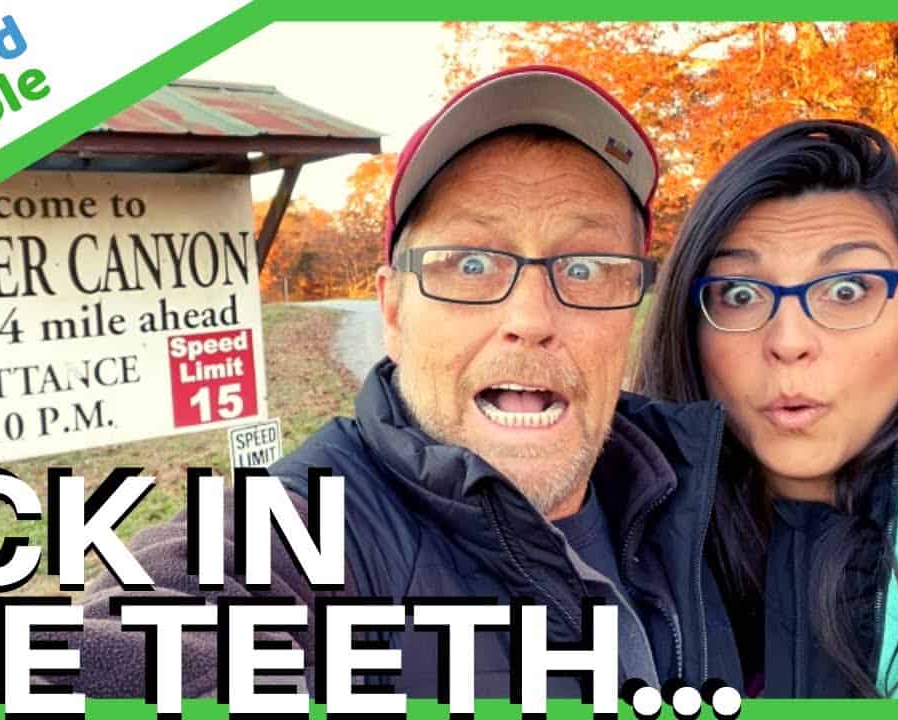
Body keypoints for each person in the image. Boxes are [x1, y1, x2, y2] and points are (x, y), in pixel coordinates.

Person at [52, 65, 740, 700]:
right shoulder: (312, 527)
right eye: (469, 265)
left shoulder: (711, 492)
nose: (531, 319)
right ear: (393, 311)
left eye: (587, 268)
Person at [636, 119, 898, 698]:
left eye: (846, 290)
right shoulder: (624, 547)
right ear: (692, 332)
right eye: (740, 295)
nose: (788, 340)